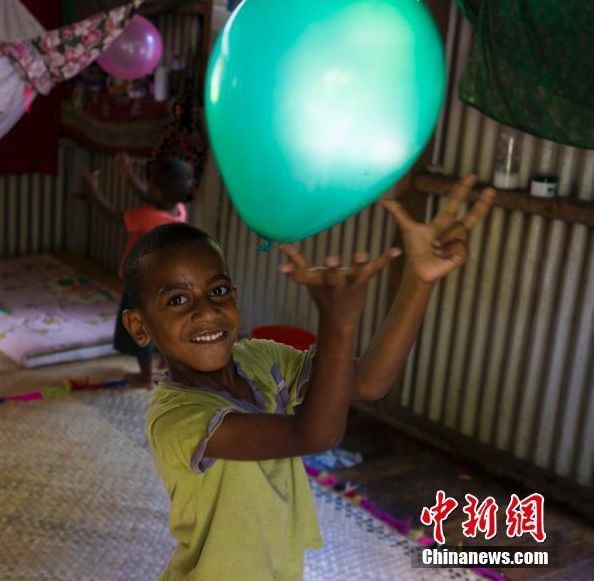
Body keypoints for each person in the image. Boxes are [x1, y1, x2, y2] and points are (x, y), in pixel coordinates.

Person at [119, 175, 495, 579]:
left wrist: (419, 279)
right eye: (177, 299)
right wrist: (338, 324)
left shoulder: (260, 359)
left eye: (219, 291)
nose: (207, 311)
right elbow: (314, 435)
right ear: (140, 326)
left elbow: (368, 381)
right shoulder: (176, 419)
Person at [82, 152, 196, 387]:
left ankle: (145, 378)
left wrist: (92, 190)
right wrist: (128, 176)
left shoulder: (146, 217)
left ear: (157, 192)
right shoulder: (179, 211)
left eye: (150, 181)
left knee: (139, 330)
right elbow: (151, 197)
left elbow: (111, 214)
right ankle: (168, 362)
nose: (147, 184)